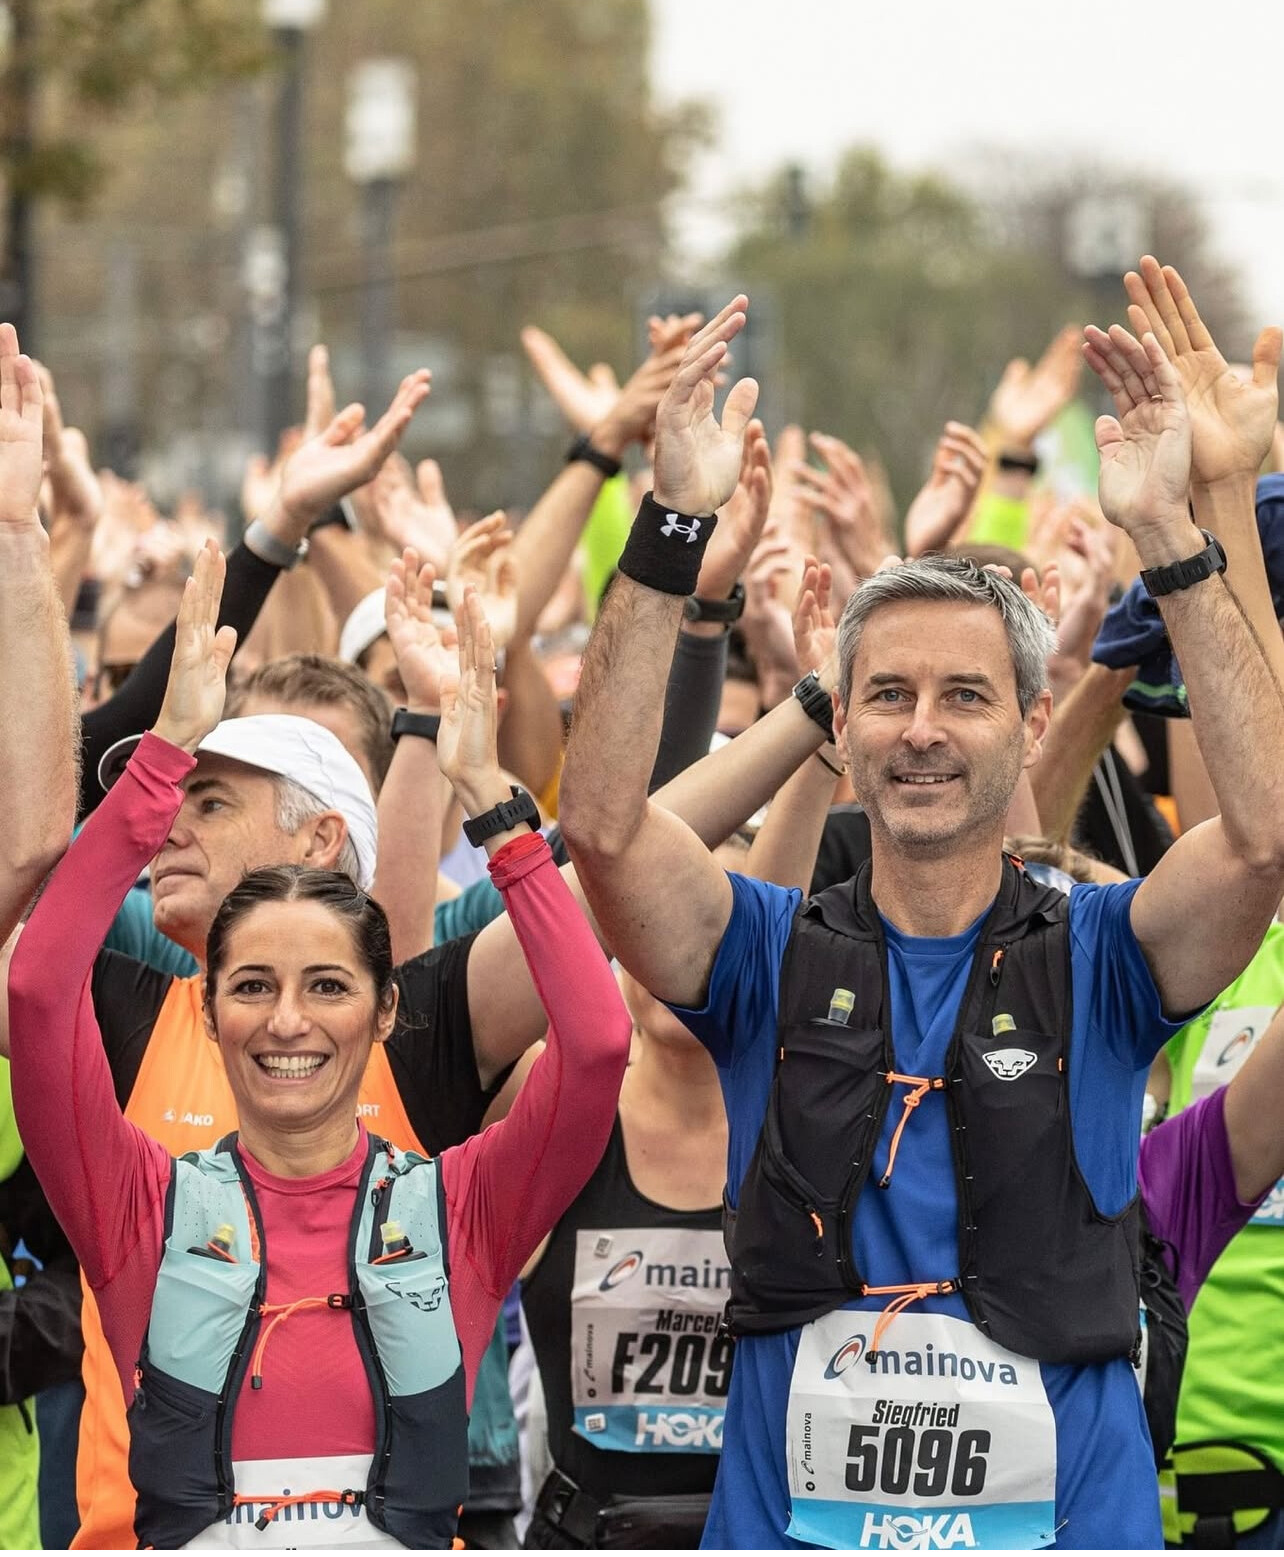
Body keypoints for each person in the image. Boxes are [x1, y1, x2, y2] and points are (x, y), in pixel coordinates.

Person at [557, 291, 1284, 1549]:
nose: (924, 730)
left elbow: (1265, 838)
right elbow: (606, 831)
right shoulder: (766, 955)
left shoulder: (1103, 957)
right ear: (839, 722)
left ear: (1034, 721)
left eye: (966, 696)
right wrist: (670, 522)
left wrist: (1174, 533)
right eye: (888, 694)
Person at [9, 541, 632, 1548]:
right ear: (209, 1011)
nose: (288, 1020)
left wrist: (496, 806)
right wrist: (160, 756)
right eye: (252, 986)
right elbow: (39, 988)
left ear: (386, 1012)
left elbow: (597, 1044)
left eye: (328, 987)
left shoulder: (462, 1211)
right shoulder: (137, 1208)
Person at [520, 970, 732, 1550]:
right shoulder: (554, 1120)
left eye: (711, 937)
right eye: (654, 932)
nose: (681, 962)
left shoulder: (818, 1141)